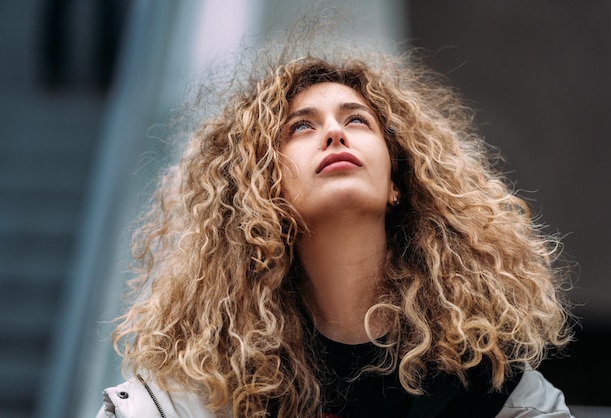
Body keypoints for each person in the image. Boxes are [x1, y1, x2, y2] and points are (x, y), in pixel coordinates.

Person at [96, 31, 574, 418]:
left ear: (397, 182)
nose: (334, 131)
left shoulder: (498, 394)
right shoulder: (190, 397)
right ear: (263, 188)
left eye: (358, 120)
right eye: (300, 126)